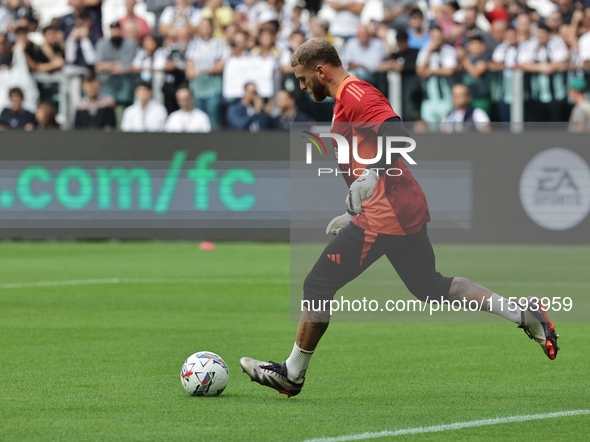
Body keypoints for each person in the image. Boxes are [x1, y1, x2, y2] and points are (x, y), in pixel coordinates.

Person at [239, 38, 559, 397]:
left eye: (301, 78)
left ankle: (292, 374)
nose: (300, 87)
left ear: (320, 71)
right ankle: (522, 313)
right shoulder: (348, 97)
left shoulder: (356, 94)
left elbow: (397, 133)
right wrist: (357, 206)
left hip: (386, 215)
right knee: (430, 286)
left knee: (318, 284)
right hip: (397, 207)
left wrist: (374, 177)